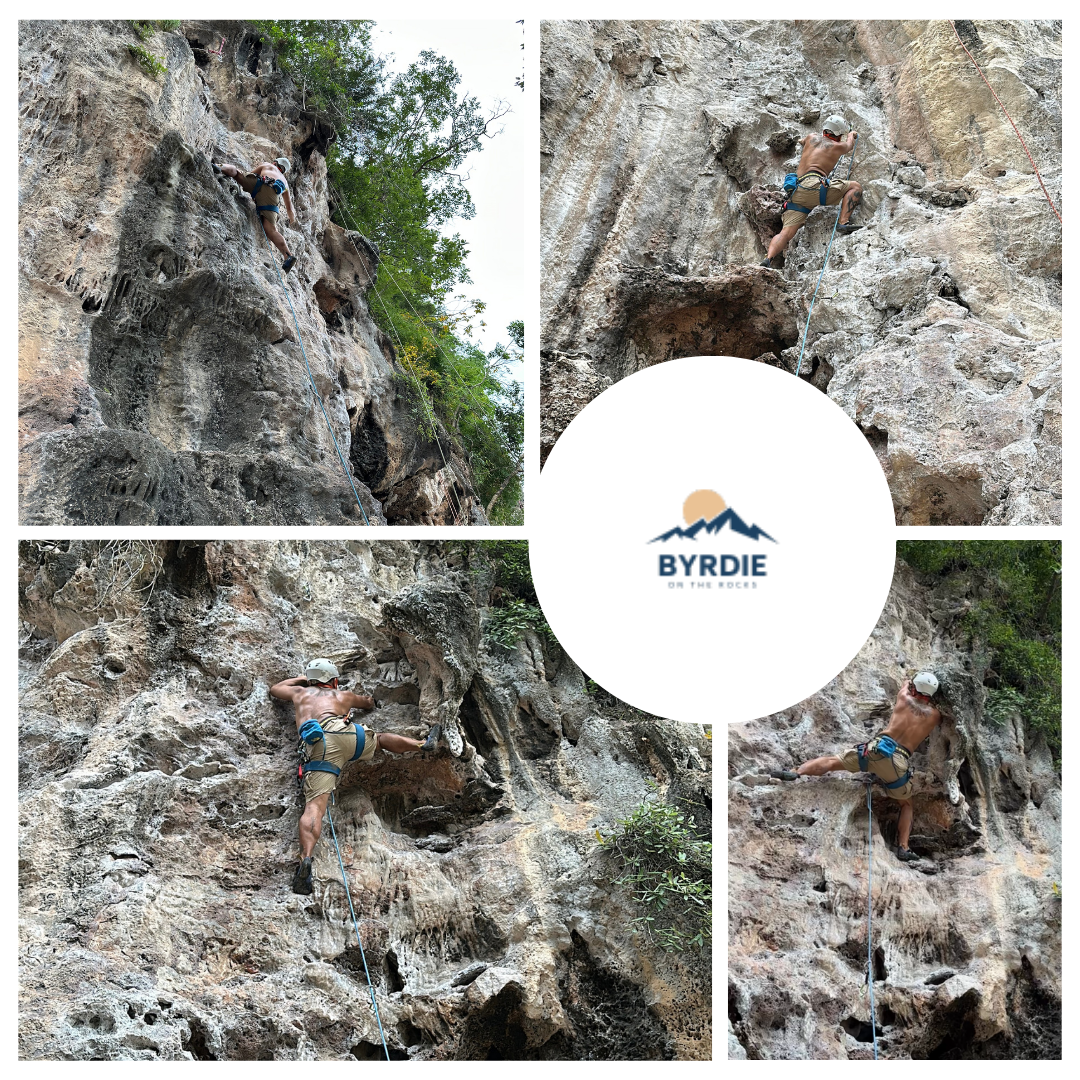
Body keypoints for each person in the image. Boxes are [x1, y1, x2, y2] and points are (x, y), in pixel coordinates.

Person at [270, 658, 440, 894]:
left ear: (311, 680)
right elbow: (368, 703)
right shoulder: (343, 696)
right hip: (347, 735)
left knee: (315, 808)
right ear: (334, 680)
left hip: (318, 745)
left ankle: (306, 858)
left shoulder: (300, 693)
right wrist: (369, 701)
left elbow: (275, 689)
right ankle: (422, 744)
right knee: (380, 740)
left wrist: (302, 679)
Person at [771, 672, 943, 863]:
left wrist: (911, 680)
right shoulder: (934, 715)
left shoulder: (903, 697)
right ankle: (903, 847)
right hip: (897, 762)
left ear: (914, 688)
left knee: (832, 761)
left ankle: (796, 772)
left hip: (875, 749)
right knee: (906, 804)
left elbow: (907, 682)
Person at [760, 115, 863, 268]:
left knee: (786, 233)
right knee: (855, 186)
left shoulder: (810, 137)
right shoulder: (837, 146)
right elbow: (849, 145)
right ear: (839, 134)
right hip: (816, 186)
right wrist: (851, 134)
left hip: (797, 192)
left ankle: (768, 259)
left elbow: (802, 141)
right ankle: (843, 222)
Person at [216, 156, 298, 272]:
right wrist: (291, 219)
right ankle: (288, 256)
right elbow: (290, 208)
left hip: (260, 183)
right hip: (272, 196)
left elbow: (251, 174)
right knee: (271, 230)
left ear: (275, 163)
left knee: (236, 173)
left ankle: (219, 167)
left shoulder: (268, 165)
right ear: (283, 171)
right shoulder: (284, 182)